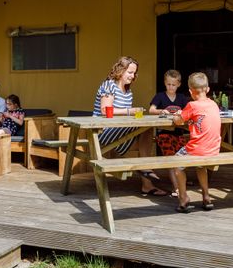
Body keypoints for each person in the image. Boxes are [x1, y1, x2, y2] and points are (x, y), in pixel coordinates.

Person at [93, 56, 168, 197]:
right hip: (104, 130)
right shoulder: (109, 85)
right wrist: (130, 111)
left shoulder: (128, 92)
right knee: (146, 130)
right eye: (130, 72)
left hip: (120, 130)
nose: (132, 76)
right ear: (120, 70)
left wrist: (135, 114)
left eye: (134, 73)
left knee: (147, 128)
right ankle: (147, 171)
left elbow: (125, 116)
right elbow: (105, 110)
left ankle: (146, 178)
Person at [172, 72, 221, 213]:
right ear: (208, 89)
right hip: (213, 149)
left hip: (198, 149)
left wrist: (176, 115)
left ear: (190, 91)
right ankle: (206, 196)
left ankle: (183, 198)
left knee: (176, 163)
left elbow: (179, 120)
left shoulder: (192, 105)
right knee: (201, 166)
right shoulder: (213, 104)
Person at [149, 69, 190, 197]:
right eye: (168, 84)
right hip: (164, 133)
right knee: (172, 159)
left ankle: (181, 183)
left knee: (183, 158)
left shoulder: (182, 98)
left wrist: (182, 113)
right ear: (165, 83)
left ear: (178, 84)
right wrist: (161, 111)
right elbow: (151, 110)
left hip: (178, 133)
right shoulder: (160, 96)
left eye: (173, 84)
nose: (171, 87)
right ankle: (177, 188)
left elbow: (189, 110)